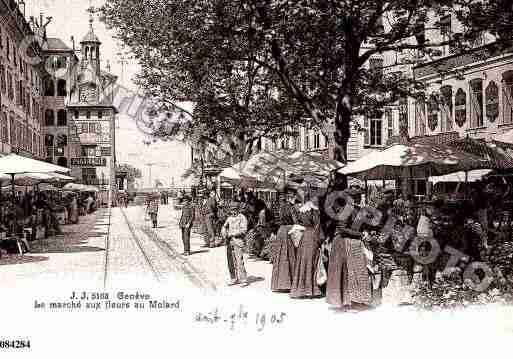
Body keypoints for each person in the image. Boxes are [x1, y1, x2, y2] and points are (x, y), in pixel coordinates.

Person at [326, 187, 373, 310]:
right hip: (341, 242)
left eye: (360, 196)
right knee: (344, 271)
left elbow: (361, 225)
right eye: (357, 196)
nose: (359, 198)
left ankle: (352, 299)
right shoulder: (346, 210)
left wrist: (365, 231)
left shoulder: (356, 209)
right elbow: (342, 228)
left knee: (352, 271)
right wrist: (360, 234)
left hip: (351, 242)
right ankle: (343, 300)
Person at [290, 196, 324, 299]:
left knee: (303, 262)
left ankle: (300, 289)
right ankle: (311, 290)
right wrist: (320, 240)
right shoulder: (314, 211)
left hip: (304, 237)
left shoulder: (302, 210)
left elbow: (298, 223)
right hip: (312, 237)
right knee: (312, 262)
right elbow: (317, 227)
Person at [270, 190, 299, 292]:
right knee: (289, 255)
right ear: (291, 198)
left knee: (280, 256)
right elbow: (295, 221)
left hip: (281, 231)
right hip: (289, 231)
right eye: (295, 197)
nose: (296, 199)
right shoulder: (291, 208)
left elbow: (279, 219)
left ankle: (279, 283)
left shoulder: (282, 207)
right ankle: (288, 283)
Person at [221, 202, 249, 287]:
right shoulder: (229, 218)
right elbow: (224, 226)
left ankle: (243, 279)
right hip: (230, 242)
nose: (233, 212)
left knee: (239, 260)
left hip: (238, 241)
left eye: (234, 210)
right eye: (232, 210)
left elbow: (244, 230)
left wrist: (233, 234)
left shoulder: (242, 218)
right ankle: (233, 278)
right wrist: (223, 231)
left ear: (238, 209)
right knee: (230, 261)